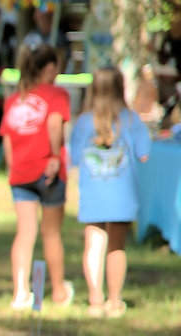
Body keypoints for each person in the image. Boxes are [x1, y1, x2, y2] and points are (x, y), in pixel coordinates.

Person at [69, 66, 151, 318]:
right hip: (121, 194)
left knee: (93, 244)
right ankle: (115, 301)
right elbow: (144, 154)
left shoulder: (83, 122)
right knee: (116, 247)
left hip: (93, 192)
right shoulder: (131, 119)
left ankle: (95, 299)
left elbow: (73, 158)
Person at [0, 43, 73, 309]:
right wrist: (55, 156)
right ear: (51, 67)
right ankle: (59, 292)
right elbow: (54, 123)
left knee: (25, 232)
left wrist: (13, 168)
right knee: (51, 232)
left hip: (21, 172)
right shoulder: (57, 94)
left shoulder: (14, 98)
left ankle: (20, 292)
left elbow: (7, 138)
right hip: (47, 169)